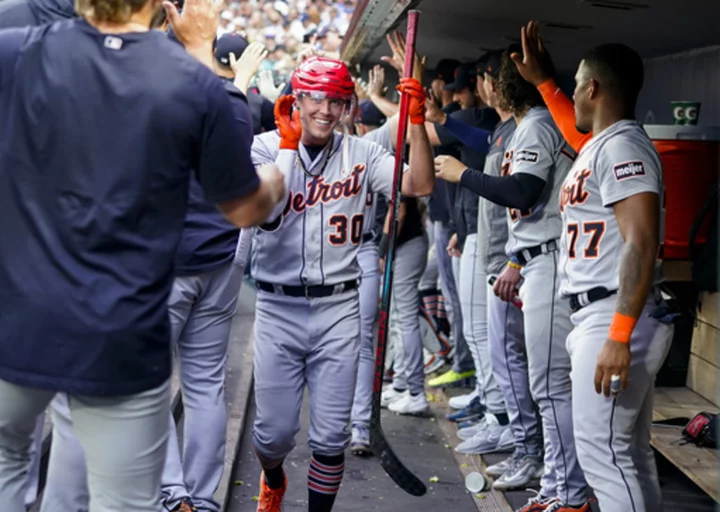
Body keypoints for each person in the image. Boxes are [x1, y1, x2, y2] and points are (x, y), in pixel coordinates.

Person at [0, 0, 285, 509]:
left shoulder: (16, 51)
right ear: (162, 6)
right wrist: (272, 183)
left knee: (11, 467)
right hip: (119, 334)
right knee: (120, 497)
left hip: (18, 320)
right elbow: (245, 209)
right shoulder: (195, 83)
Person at [248, 56, 434, 512]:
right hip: (278, 306)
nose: (326, 111)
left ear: (348, 106)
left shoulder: (364, 152)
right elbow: (266, 218)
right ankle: (273, 479)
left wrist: (415, 124)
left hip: (339, 307)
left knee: (331, 436)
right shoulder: (263, 148)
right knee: (272, 436)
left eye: (337, 101)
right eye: (315, 98)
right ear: (296, 99)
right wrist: (290, 149)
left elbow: (421, 184)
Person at [435, 45, 590, 512]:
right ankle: (559, 486)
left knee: (550, 385)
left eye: (494, 79)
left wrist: (462, 175)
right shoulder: (531, 124)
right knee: (545, 382)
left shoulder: (538, 124)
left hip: (549, 257)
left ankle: (566, 490)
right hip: (534, 256)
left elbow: (524, 189)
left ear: (500, 86)